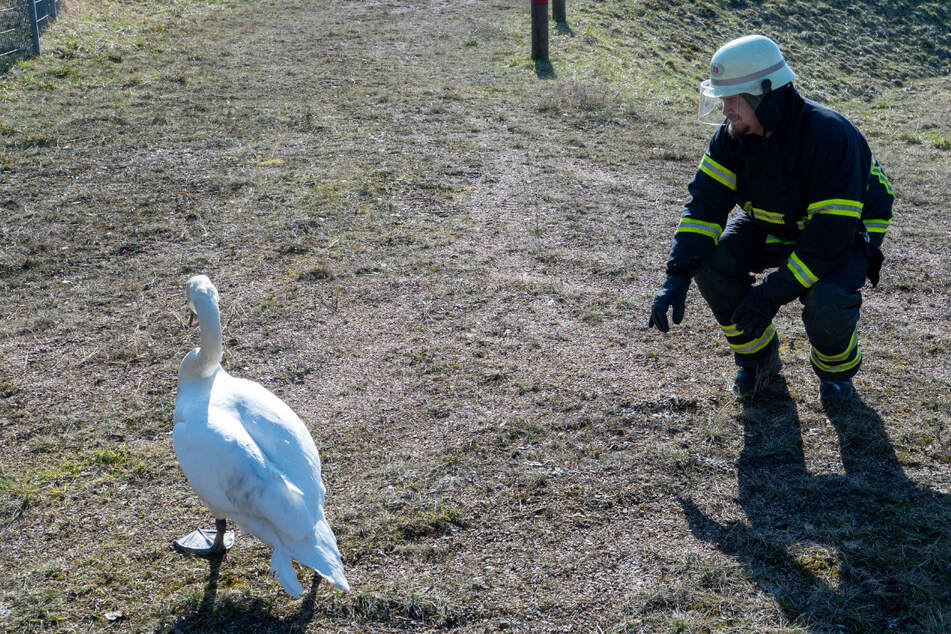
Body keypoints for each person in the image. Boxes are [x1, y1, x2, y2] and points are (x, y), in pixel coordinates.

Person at [647, 34, 893, 405]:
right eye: (721, 99)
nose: (726, 110)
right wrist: (676, 275)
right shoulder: (731, 138)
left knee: (828, 297)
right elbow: (705, 206)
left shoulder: (829, 135)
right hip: (774, 223)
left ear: (767, 94)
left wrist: (770, 294)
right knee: (713, 266)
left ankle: (836, 374)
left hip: (844, 230)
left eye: (733, 99)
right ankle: (758, 360)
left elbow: (827, 238)